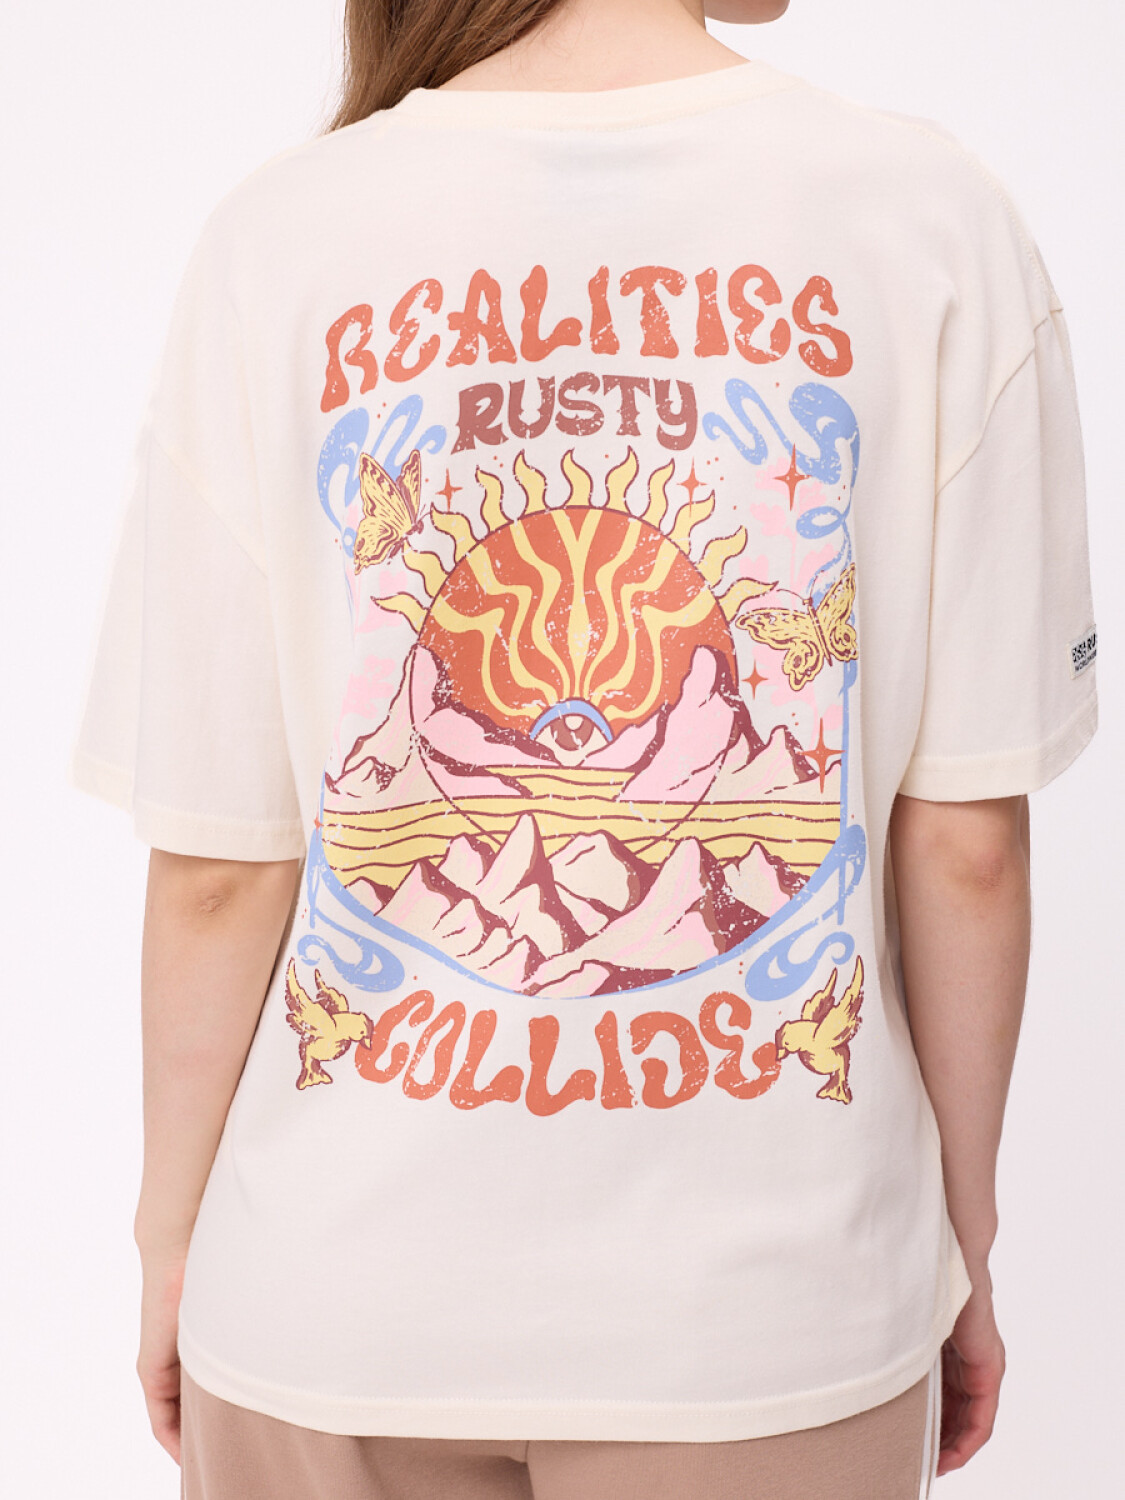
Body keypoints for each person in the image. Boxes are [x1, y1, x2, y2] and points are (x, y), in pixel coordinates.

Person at [70, 0, 1099, 1496]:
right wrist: (960, 1248)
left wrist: (172, 1247)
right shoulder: (930, 217)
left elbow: (219, 869)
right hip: (767, 1327)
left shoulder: (280, 237)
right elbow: (967, 846)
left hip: (327, 1310)